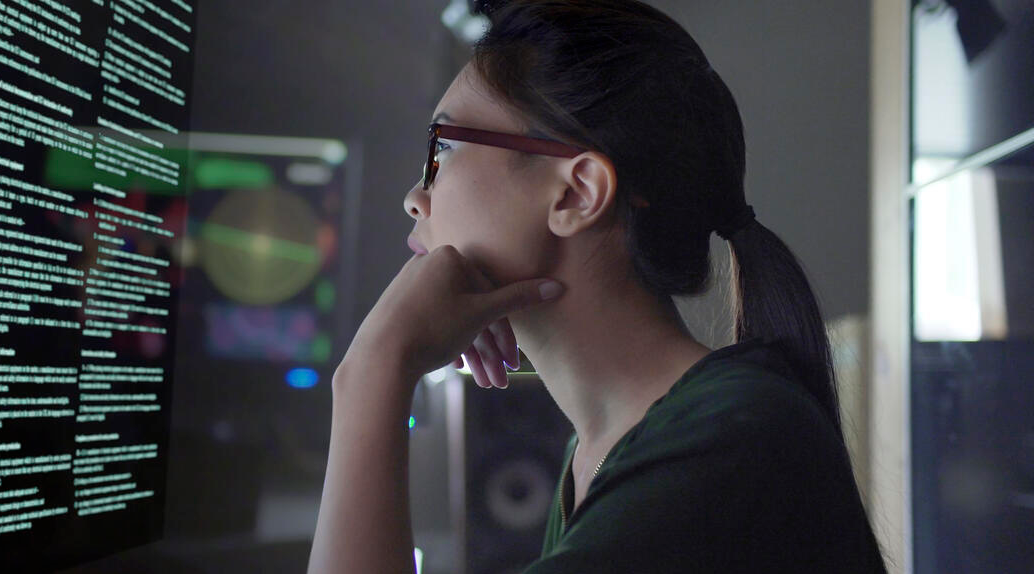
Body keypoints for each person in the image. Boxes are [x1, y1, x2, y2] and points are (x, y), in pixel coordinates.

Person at [308, 1, 891, 572]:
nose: (415, 196)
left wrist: (373, 372)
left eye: (444, 148)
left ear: (577, 192)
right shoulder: (604, 449)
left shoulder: (728, 439)